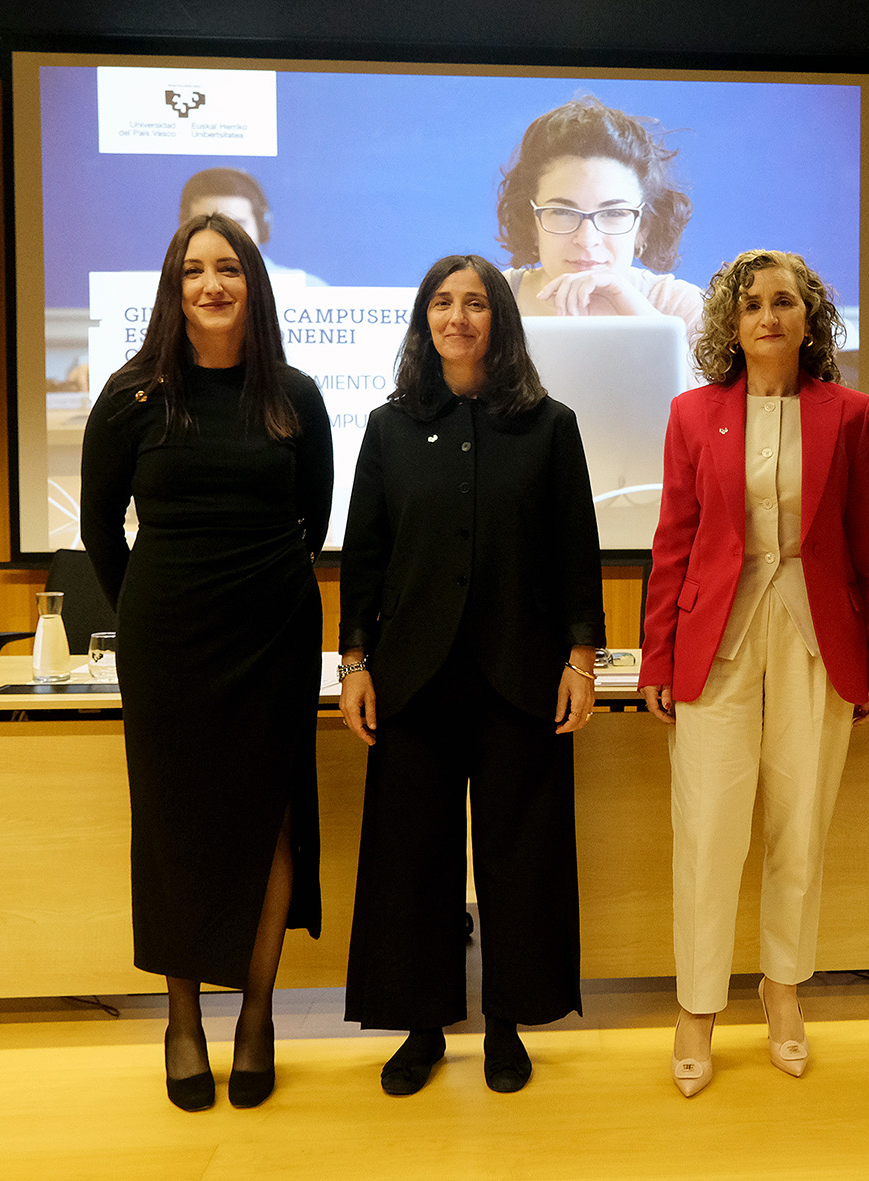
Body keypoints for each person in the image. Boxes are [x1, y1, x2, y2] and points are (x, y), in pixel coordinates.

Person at [79, 211, 334, 1112]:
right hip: (170, 643)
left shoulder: (295, 396)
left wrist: (259, 590)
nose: (212, 284)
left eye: (228, 268)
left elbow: (313, 521)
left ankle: (257, 1015)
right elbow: (98, 529)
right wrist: (149, 611)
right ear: (173, 288)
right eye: (194, 270)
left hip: (273, 637)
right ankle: (182, 1018)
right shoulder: (132, 395)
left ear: (252, 285)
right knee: (174, 828)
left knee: (270, 821)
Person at [337, 254, 606, 1097]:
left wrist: (582, 659)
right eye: (443, 303)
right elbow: (366, 553)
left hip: (520, 674)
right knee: (411, 857)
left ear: (501, 321)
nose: (458, 317)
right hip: (412, 677)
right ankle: (422, 1028)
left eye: (477, 303)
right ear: (424, 320)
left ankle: (506, 1023)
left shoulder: (549, 425)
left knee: (521, 858)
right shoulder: (388, 427)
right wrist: (354, 662)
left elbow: (575, 549)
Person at [640, 249, 869, 1097]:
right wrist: (655, 654)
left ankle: (783, 990)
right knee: (709, 829)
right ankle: (697, 1005)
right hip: (713, 640)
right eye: (750, 303)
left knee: (799, 824)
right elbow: (673, 541)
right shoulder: (692, 414)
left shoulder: (850, 414)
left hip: (817, 639)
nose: (767, 316)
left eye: (783, 301)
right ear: (730, 321)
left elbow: (867, 542)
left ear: (808, 316)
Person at [494, 96, 704, 340]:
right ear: (531, 224)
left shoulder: (681, 306)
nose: (587, 240)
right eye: (562, 212)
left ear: (643, 228)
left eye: (614, 213)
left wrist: (645, 320)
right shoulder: (491, 301)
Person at [180, 166, 328, 286]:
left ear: (262, 228)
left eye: (236, 226)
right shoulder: (169, 288)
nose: (222, 237)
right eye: (207, 225)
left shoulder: (309, 290)